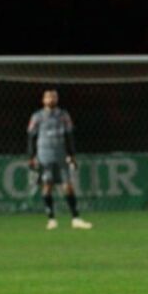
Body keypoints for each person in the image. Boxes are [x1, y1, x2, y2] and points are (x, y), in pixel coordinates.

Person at [27, 89, 92, 230]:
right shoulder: (37, 116)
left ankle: (75, 218)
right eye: (48, 97)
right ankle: (51, 219)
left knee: (67, 185)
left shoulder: (63, 115)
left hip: (61, 154)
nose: (51, 99)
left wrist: (71, 154)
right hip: (44, 155)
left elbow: (69, 135)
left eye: (54, 97)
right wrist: (31, 156)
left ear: (57, 99)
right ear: (43, 100)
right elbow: (31, 136)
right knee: (47, 185)